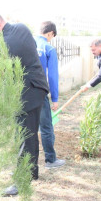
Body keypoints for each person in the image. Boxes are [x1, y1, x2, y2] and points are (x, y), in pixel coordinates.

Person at [0, 14, 49, 196]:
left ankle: (22, 182)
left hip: (26, 95)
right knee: (30, 134)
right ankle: (31, 172)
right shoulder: (22, 28)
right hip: (38, 87)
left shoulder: (1, 46)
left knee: (24, 137)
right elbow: (31, 50)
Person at [35, 21, 65, 169]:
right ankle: (50, 160)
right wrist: (54, 99)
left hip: (23, 92)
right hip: (40, 93)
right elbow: (52, 76)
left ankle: (26, 162)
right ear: (50, 33)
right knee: (46, 127)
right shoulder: (48, 48)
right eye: (52, 36)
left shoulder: (27, 44)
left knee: (26, 128)